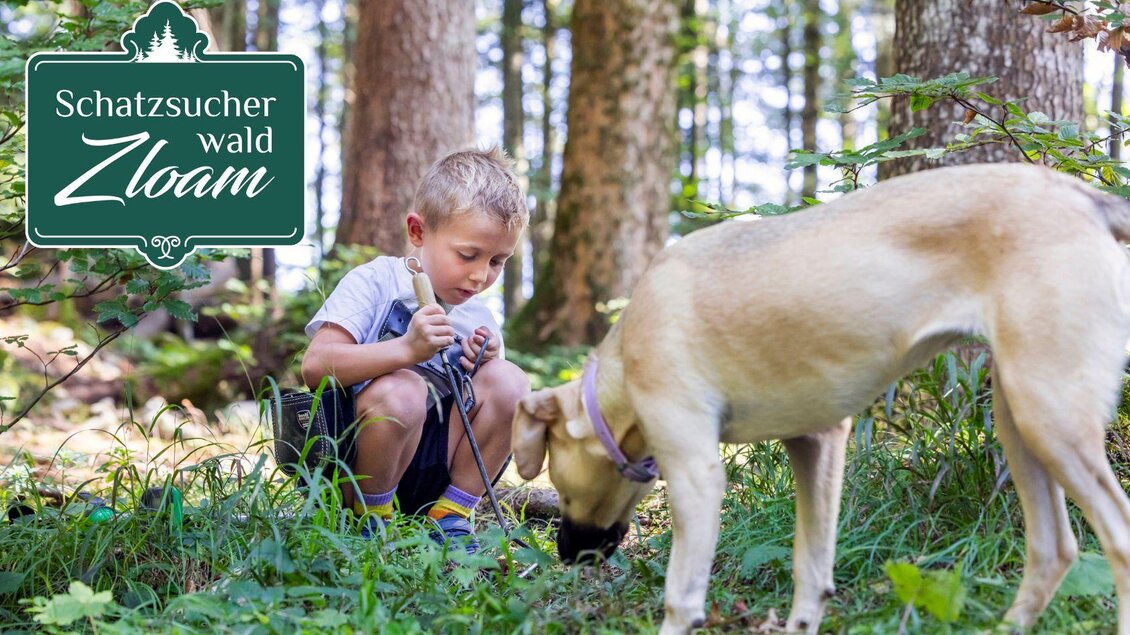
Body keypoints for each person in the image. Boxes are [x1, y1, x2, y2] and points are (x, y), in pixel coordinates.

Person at [300, 147, 531, 553]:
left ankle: (452, 515)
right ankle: (370, 519)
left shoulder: (477, 312)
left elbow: (491, 405)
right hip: (358, 470)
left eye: (498, 261)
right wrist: (407, 350)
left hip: (435, 467)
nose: (481, 275)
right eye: (468, 255)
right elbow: (316, 367)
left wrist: (484, 362)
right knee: (403, 388)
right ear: (418, 232)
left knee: (511, 381)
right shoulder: (376, 281)